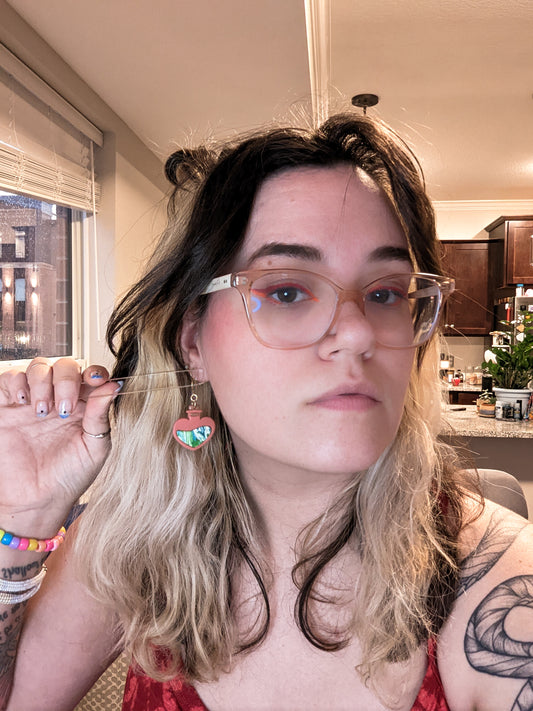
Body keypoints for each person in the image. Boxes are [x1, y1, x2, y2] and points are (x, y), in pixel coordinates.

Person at [0, 114, 531, 711]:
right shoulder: (132, 538)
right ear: (193, 342)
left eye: (385, 293)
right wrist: (23, 514)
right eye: (286, 291)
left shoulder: (503, 591)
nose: (360, 333)